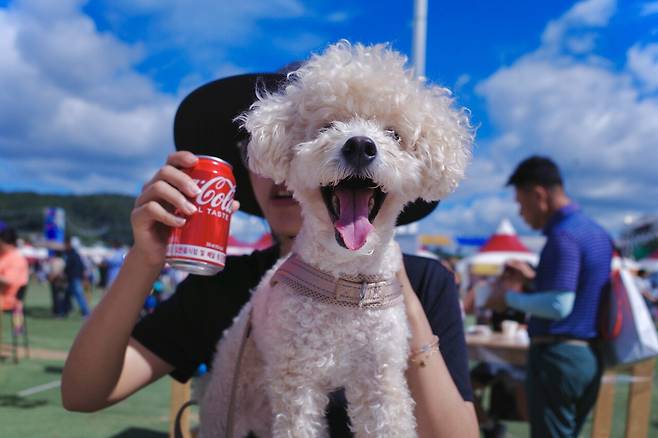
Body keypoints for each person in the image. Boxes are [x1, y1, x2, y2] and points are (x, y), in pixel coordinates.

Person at [61, 72, 478, 437]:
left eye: (392, 135)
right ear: (270, 154)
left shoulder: (426, 283)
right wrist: (144, 259)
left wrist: (391, 289)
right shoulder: (219, 283)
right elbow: (83, 393)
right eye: (318, 132)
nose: (358, 145)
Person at [487, 156, 612, 438]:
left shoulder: (562, 235)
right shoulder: (596, 232)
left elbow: (559, 305)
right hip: (588, 355)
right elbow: (582, 290)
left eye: (521, 203)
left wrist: (507, 299)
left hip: (558, 356)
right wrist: (535, 278)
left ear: (538, 194)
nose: (521, 213)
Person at [469, 260, 534, 437]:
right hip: (495, 359)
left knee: (522, 390)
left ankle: (538, 432)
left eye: (512, 273)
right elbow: (477, 307)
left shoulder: (531, 295)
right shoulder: (500, 294)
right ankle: (489, 426)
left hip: (521, 361)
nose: (508, 277)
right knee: (464, 386)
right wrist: (495, 287)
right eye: (506, 273)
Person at [0, 223, 29, 313]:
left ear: (6, 242)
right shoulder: (3, 255)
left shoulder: (16, 258)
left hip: (10, 305)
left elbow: (9, 280)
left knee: (16, 326)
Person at [63, 236, 90, 317]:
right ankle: (65, 311)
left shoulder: (72, 255)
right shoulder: (73, 254)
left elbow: (70, 267)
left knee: (79, 295)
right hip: (73, 278)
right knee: (68, 296)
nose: (65, 246)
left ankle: (86, 313)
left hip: (74, 278)